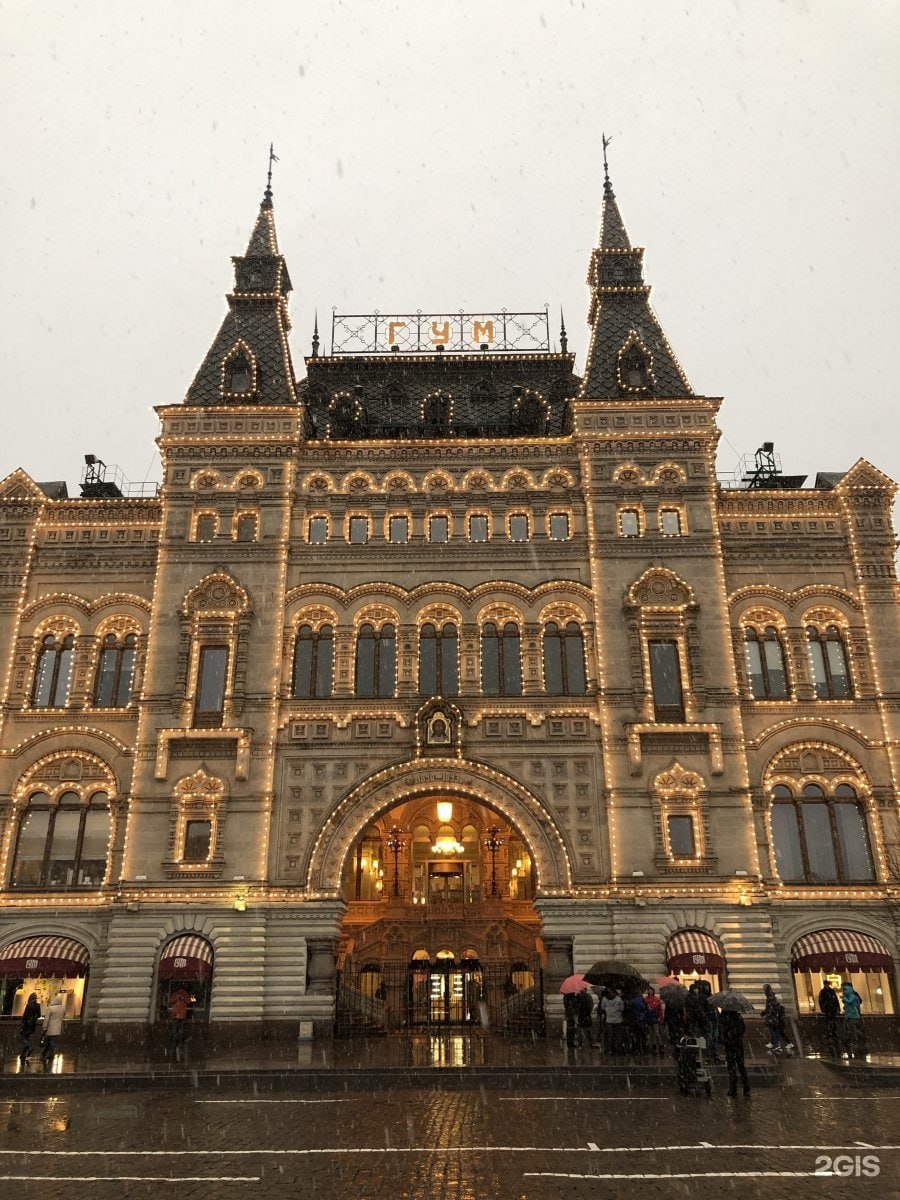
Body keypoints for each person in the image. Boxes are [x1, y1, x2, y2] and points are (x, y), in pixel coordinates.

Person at [720, 1008, 751, 1097]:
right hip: (738, 1044)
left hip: (729, 1044)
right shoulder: (738, 1017)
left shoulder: (724, 1018)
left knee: (731, 1067)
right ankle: (746, 1088)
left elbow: (723, 1030)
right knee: (741, 1066)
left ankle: (733, 1089)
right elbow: (743, 1029)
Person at [762, 984, 793, 1055]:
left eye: (764, 989)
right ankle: (776, 1043)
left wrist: (768, 1014)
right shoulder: (770, 996)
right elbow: (770, 1007)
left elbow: (771, 1007)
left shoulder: (770, 997)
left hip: (773, 1017)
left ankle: (777, 1044)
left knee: (774, 1030)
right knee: (777, 1030)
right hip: (774, 1017)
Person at [41, 991, 66, 1067]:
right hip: (58, 1027)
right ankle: (47, 1053)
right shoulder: (62, 1008)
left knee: (49, 1041)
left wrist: (44, 1027)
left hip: (50, 1027)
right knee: (51, 1040)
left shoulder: (50, 1008)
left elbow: (46, 1019)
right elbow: (63, 1015)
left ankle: (48, 1054)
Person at [840, 981, 865, 1058]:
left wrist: (845, 999)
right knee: (852, 1031)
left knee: (853, 1031)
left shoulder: (852, 995)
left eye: (844, 988)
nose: (843, 990)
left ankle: (855, 1046)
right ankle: (855, 1046)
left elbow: (854, 1002)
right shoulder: (850, 995)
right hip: (851, 1015)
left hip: (853, 1016)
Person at [167, 987, 193, 1062]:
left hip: (181, 1015)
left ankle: (179, 1039)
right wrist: (178, 998)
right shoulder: (175, 994)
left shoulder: (185, 995)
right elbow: (171, 1001)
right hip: (176, 1015)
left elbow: (189, 1002)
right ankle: (175, 1038)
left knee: (180, 1029)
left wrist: (183, 998)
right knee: (175, 1029)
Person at [699, 981, 721, 1063]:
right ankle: (709, 1056)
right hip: (708, 1020)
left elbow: (714, 1007)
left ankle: (715, 1055)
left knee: (714, 1038)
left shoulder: (711, 996)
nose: (707, 988)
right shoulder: (702, 997)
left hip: (714, 1019)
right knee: (709, 1039)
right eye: (706, 986)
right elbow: (702, 1010)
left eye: (708, 986)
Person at [818, 979, 841, 1056]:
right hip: (828, 1010)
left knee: (833, 1021)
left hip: (832, 1009)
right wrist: (823, 1008)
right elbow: (821, 1001)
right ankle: (830, 1032)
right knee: (829, 1020)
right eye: (826, 984)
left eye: (827, 984)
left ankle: (833, 1032)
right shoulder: (823, 992)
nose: (827, 986)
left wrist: (837, 1008)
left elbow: (836, 1000)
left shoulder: (831, 991)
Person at [600, 986, 625, 1053]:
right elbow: (622, 1008)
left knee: (610, 1035)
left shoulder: (604, 999)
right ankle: (618, 1049)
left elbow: (602, 1008)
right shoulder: (619, 999)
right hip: (618, 1020)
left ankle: (611, 1049)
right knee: (618, 1035)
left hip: (609, 1020)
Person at [19, 993, 41, 1065]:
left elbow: (25, 1015)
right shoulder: (38, 1005)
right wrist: (34, 1019)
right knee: (27, 1037)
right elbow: (39, 1015)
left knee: (23, 1037)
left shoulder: (28, 1005)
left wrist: (22, 1022)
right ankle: (23, 1054)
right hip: (33, 1025)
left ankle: (29, 1047)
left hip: (27, 1024)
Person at [644, 986, 665, 1055]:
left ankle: (660, 1046)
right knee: (652, 1034)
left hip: (654, 1018)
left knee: (656, 1033)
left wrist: (660, 1018)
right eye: (649, 990)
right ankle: (654, 1046)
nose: (650, 992)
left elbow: (660, 1010)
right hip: (649, 1019)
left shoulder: (656, 999)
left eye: (651, 990)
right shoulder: (645, 999)